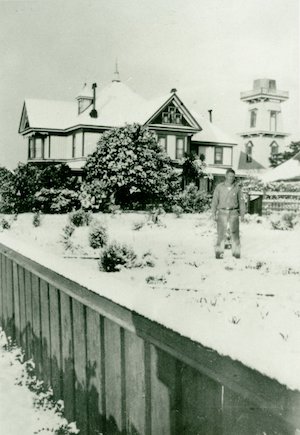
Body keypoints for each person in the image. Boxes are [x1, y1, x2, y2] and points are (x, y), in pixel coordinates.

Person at [211, 168, 245, 259]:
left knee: (235, 234)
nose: (231, 178)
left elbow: (241, 202)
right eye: (229, 176)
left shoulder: (237, 188)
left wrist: (242, 214)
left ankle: (236, 254)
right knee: (221, 233)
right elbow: (214, 201)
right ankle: (219, 253)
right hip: (222, 212)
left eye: (233, 177)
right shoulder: (219, 187)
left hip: (233, 212)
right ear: (226, 176)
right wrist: (213, 213)